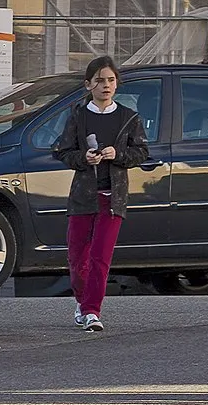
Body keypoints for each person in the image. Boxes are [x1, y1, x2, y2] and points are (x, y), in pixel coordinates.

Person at [58, 54, 151, 332]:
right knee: (77, 257)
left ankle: (91, 311)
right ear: (88, 85)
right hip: (83, 197)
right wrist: (84, 158)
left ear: (117, 84)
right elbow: (63, 151)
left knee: (100, 256)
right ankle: (82, 301)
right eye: (99, 81)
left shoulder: (128, 117)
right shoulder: (77, 114)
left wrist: (117, 154)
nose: (106, 85)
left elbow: (142, 152)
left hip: (113, 197)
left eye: (110, 80)